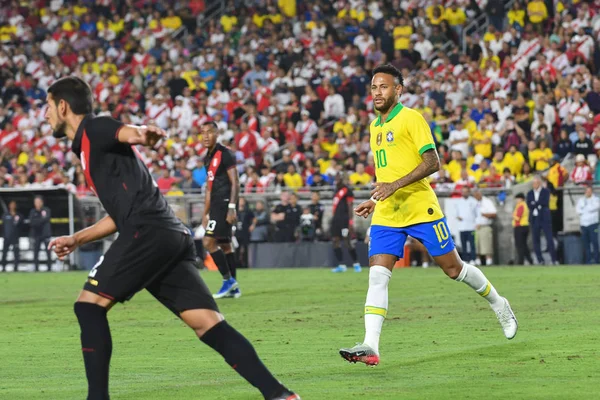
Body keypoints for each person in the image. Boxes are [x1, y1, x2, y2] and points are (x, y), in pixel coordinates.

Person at [44, 76, 299, 400]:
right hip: (166, 235)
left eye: (48, 106)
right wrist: (78, 238)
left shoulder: (94, 130)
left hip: (147, 232)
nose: (45, 114)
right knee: (208, 324)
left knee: (89, 308)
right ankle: (280, 395)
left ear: (63, 106)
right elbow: (119, 213)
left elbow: (125, 131)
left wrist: (143, 134)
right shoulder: (88, 148)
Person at [339, 64, 517, 367]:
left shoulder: (411, 118)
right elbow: (387, 173)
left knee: (454, 269)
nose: (378, 92)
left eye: (384, 87)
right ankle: (371, 344)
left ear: (398, 89)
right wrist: (374, 198)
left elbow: (433, 161)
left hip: (420, 206)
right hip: (388, 212)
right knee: (378, 276)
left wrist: (394, 186)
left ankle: (499, 303)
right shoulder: (374, 126)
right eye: (374, 87)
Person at [201, 121, 242, 299]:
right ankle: (234, 287)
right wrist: (205, 212)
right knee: (225, 244)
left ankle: (228, 281)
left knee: (208, 242)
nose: (205, 136)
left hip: (225, 203)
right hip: (216, 203)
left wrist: (232, 207)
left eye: (209, 132)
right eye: (203, 133)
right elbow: (209, 188)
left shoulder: (225, 154)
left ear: (217, 134)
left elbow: (235, 183)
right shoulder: (207, 158)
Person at [330, 174, 362, 273]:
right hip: (336, 220)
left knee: (347, 241)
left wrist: (350, 221)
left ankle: (356, 263)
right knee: (335, 240)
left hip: (344, 220)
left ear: (343, 180)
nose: (337, 180)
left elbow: (350, 205)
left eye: (338, 178)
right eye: (336, 178)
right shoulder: (336, 191)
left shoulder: (347, 190)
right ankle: (341, 265)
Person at [526, 175, 558, 265]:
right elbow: (529, 204)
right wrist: (537, 204)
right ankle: (540, 260)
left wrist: (535, 203)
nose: (534, 185)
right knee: (536, 240)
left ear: (539, 183)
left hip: (544, 218)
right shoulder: (530, 193)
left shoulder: (545, 191)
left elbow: (544, 202)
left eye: (536, 183)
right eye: (533, 183)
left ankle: (553, 259)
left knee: (549, 238)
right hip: (534, 218)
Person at [576, 185, 600, 264]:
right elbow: (578, 210)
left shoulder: (596, 199)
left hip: (593, 224)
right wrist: (585, 209)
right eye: (586, 191)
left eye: (589, 191)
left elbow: (594, 207)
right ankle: (588, 260)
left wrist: (584, 208)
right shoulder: (581, 200)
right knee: (586, 243)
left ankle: (597, 260)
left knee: (594, 242)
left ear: (591, 192)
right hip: (584, 224)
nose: (588, 193)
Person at [473, 188, 497, 266]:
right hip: (475, 227)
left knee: (486, 246)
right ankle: (478, 261)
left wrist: (484, 214)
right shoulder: (473, 202)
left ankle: (489, 261)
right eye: (475, 195)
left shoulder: (487, 202)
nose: (476, 197)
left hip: (485, 226)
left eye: (477, 195)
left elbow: (494, 214)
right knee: (477, 246)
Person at [29, 195, 53, 272]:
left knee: (48, 252)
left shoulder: (46, 210)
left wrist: (37, 221)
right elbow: (32, 222)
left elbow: (46, 218)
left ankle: (49, 268)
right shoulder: (32, 211)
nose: (37, 204)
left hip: (45, 234)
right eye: (36, 202)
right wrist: (41, 220)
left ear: (42, 202)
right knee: (36, 252)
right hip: (36, 235)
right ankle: (36, 269)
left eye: (39, 202)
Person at [455, 187, 477, 264]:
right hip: (462, 227)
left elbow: (477, 214)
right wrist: (458, 217)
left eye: (466, 192)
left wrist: (476, 223)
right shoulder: (459, 202)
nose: (465, 193)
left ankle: (473, 259)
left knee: (472, 244)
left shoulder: (473, 201)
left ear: (469, 192)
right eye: (463, 192)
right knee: (463, 244)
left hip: (471, 226)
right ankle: (465, 259)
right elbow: (456, 214)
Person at [1, 200, 23, 272]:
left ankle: (16, 268)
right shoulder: (5, 215)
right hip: (7, 237)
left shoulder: (19, 215)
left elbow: (21, 226)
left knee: (16, 254)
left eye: (14, 204)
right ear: (9, 206)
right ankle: (3, 268)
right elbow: (3, 226)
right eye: (11, 204)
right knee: (4, 253)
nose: (12, 206)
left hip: (15, 237)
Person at [512, 193, 533, 265]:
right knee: (524, 245)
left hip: (520, 227)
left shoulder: (521, 205)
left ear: (521, 199)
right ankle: (530, 260)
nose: (516, 200)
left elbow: (518, 217)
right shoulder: (524, 205)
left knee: (520, 245)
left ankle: (521, 261)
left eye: (517, 198)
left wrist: (513, 215)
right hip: (524, 226)